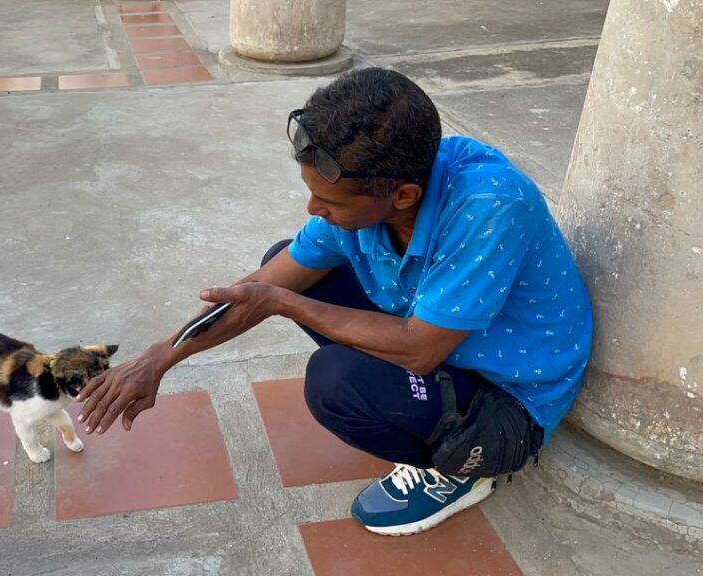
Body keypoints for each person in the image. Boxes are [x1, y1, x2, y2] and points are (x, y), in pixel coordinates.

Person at [77, 67, 593, 536]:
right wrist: (161, 356)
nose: (313, 208)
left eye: (330, 201)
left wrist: (282, 303)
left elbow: (418, 350)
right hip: (445, 345)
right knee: (289, 263)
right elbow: (259, 286)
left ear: (404, 198)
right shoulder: (380, 187)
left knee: (337, 381)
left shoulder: (489, 206)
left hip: (508, 403)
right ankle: (426, 411)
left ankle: (462, 469)